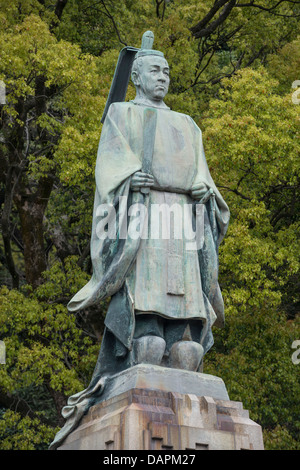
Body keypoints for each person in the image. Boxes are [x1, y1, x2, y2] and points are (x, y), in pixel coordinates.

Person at [49, 32, 230, 449]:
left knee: (188, 351)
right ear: (136, 76)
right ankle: (140, 341)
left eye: (167, 71)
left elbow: (205, 179)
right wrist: (132, 179)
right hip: (145, 220)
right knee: (146, 339)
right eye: (154, 70)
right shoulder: (121, 116)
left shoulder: (188, 124)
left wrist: (205, 193)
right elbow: (110, 167)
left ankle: (183, 337)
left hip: (183, 224)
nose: (163, 77)